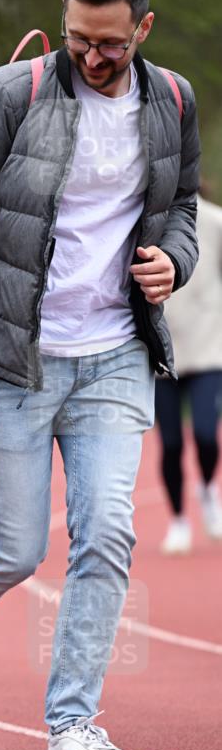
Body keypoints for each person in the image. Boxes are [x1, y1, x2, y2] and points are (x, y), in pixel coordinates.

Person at [0, 0, 200, 750]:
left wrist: (169, 263)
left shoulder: (171, 100)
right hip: (12, 361)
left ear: (142, 29)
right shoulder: (5, 96)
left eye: (108, 43)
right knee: (11, 551)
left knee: (107, 535)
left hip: (114, 354)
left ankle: (73, 726)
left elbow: (178, 209)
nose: (91, 56)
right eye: (77, 38)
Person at [155, 190, 222, 554]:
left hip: (208, 349)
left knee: (207, 435)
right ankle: (178, 519)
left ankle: (208, 488)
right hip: (163, 354)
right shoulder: (146, 222)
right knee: (170, 444)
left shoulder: (214, 222)